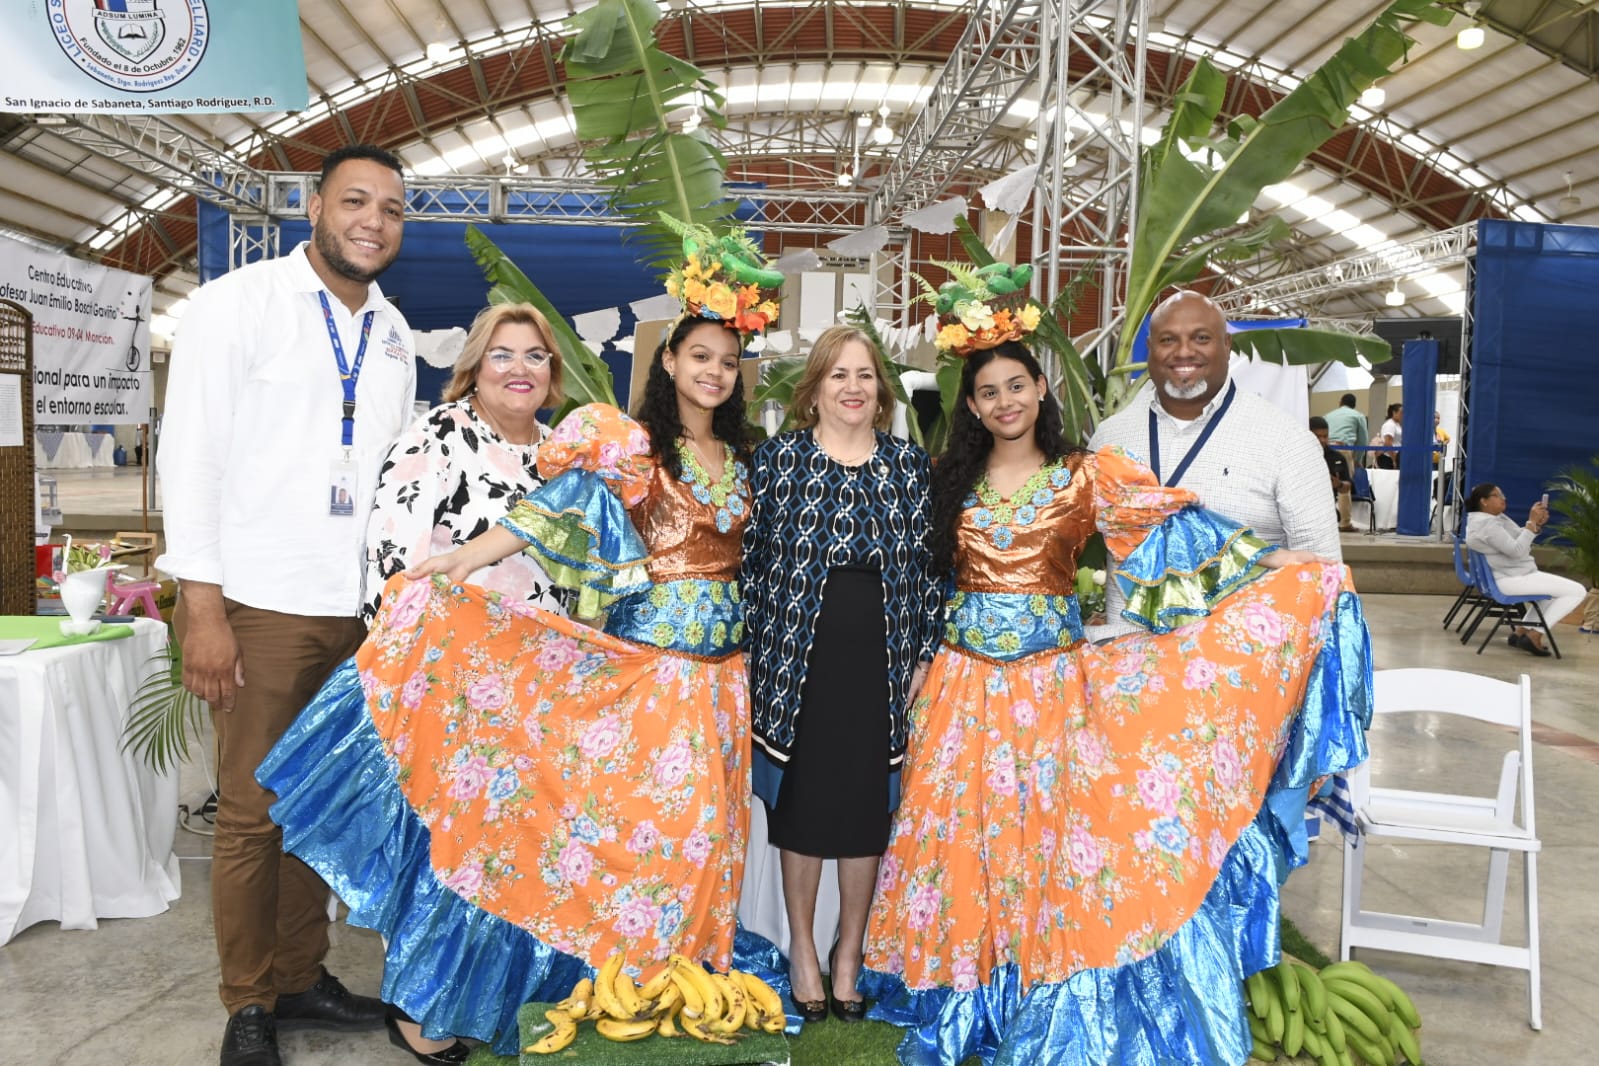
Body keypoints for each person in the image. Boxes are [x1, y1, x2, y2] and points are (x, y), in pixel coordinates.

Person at [257, 223, 784, 1057]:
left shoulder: (750, 458)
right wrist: (458, 563)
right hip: (639, 672)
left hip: (721, 680)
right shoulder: (629, 447)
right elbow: (547, 513)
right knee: (604, 834)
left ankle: (671, 972)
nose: (713, 373)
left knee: (694, 838)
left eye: (727, 361)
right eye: (698, 358)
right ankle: (540, 983)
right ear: (669, 365)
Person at [859, 297, 1373, 1066]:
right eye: (988, 391)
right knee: (959, 841)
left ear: (1041, 391)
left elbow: (1176, 531)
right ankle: (961, 987)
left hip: (1051, 690)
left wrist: (1280, 567)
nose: (1005, 402)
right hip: (961, 689)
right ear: (970, 405)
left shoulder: (1088, 474)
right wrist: (922, 657)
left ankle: (1040, 984)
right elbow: (927, 580)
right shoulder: (946, 479)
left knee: (1043, 846)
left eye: (1017, 386)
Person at [154, 145, 414, 1066]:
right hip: (261, 602)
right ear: (314, 206)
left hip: (356, 613)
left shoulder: (392, 335)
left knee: (320, 808)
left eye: (389, 209)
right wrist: (206, 608)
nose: (372, 222)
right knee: (253, 813)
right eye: (355, 202)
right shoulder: (239, 307)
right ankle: (249, 1001)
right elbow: (191, 460)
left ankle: (303, 976)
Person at [740, 325, 943, 1023]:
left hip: (882, 667)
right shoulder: (776, 462)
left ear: (880, 390)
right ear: (813, 390)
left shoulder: (909, 467)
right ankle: (802, 948)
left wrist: (922, 655)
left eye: (864, 375)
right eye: (837, 375)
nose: (852, 387)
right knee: (802, 808)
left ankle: (848, 953)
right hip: (796, 663)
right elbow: (750, 566)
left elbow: (932, 570)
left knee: (864, 813)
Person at [1089, 290, 1342, 637]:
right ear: (1150, 348)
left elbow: (1322, 574)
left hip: (1241, 669)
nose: (1184, 352)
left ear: (1227, 345)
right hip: (1128, 664)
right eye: (1168, 340)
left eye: (1201, 338)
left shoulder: (1287, 441)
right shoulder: (1109, 439)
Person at [363, 302, 571, 622]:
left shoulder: (562, 452)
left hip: (548, 660)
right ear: (475, 368)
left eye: (535, 356)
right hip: (452, 658)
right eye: (502, 355)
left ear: (551, 370)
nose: (520, 368)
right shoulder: (438, 437)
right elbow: (389, 565)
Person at [1464, 483, 1585, 656]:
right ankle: (1535, 634)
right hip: (1510, 579)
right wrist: (1531, 524)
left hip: (1511, 575)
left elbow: (1517, 537)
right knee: (1577, 591)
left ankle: (1520, 632)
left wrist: (1534, 526)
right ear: (1484, 501)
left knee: (1552, 594)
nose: (1503, 498)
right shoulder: (1487, 525)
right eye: (1497, 495)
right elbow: (1517, 550)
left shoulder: (1490, 519)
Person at [1311, 415, 1356, 532]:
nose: (1322, 440)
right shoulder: (1296, 456)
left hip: (1326, 511)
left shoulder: (1337, 457)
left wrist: (1339, 484)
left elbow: (1347, 487)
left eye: (1325, 436)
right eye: (1317, 436)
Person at [1323, 392, 1368, 461]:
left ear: (1340, 403)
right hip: (1343, 450)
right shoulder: (1358, 416)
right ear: (1354, 405)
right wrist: (1357, 460)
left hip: (1326, 450)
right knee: (1347, 471)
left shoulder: (1327, 415)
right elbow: (1362, 441)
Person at [1375, 402, 1403, 469]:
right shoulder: (1390, 424)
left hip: (1396, 455)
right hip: (1388, 457)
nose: (1403, 415)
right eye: (1401, 412)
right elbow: (1388, 443)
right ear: (1394, 412)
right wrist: (1394, 459)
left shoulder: (1398, 425)